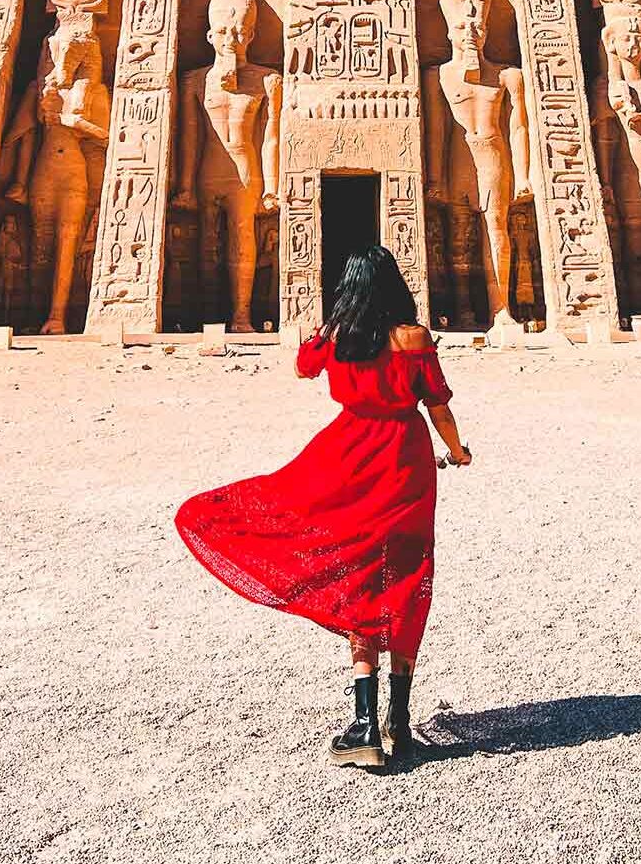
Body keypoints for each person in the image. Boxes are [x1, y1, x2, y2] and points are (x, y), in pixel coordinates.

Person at [174, 244, 472, 769]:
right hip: (405, 456)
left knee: (358, 572)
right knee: (405, 573)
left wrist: (331, 324)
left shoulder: (339, 337)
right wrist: (457, 450)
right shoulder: (414, 338)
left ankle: (364, 722)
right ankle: (398, 723)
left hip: (348, 451)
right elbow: (438, 405)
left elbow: (301, 368)